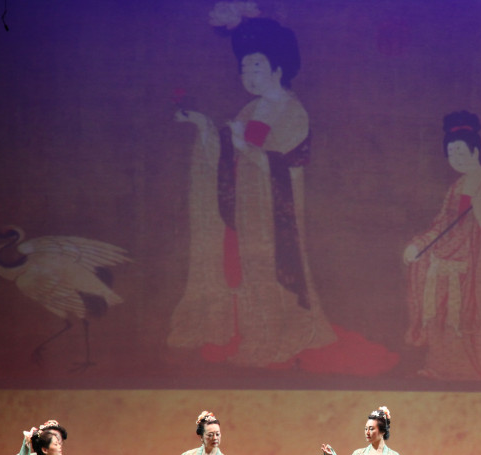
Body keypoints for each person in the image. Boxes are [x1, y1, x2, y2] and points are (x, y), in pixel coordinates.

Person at [169, 14, 396, 375]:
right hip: (243, 206)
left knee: (272, 270)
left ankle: (273, 337)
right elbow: (226, 154)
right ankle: (248, 334)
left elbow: (285, 162)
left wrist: (249, 149)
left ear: (277, 68)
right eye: (244, 66)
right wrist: (204, 127)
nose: (249, 73)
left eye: (256, 65)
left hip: (275, 209)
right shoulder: (250, 109)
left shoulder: (292, 110)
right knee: (240, 268)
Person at [403, 110, 481, 381]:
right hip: (444, 264)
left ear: (475, 151)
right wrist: (419, 245)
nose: (455, 158)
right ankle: (438, 367)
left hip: (472, 272)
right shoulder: (457, 186)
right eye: (451, 153)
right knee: (439, 320)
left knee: (462, 322)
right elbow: (441, 224)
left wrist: (480, 216)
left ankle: (469, 372)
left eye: (460, 152)